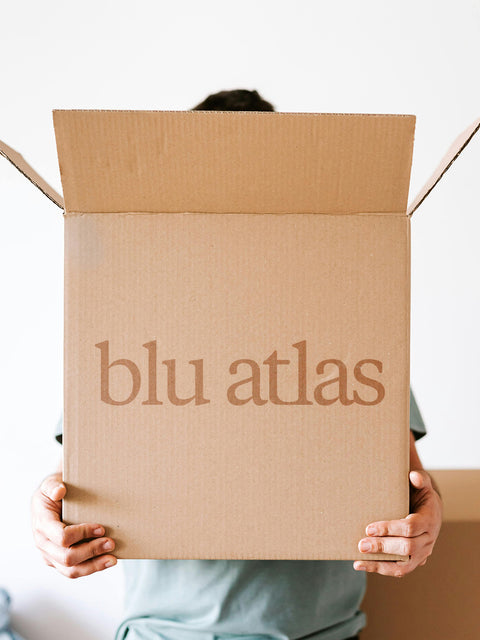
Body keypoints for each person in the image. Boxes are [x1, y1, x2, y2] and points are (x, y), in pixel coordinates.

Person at [31, 89, 443, 640]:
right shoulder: (129, 333)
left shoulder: (350, 338)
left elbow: (407, 488)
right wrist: (47, 523)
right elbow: (83, 482)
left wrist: (422, 524)